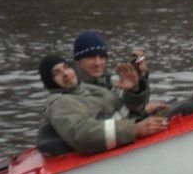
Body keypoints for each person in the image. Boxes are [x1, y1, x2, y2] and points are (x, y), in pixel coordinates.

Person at [38, 55, 167, 155]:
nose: (65, 74)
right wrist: (134, 129)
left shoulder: (88, 88)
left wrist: (134, 90)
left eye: (66, 67)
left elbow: (126, 111)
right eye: (57, 73)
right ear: (50, 81)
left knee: (178, 109)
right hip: (119, 146)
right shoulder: (59, 103)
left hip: (128, 135)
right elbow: (82, 134)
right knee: (184, 109)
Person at [71, 30, 169, 117]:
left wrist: (139, 79)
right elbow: (101, 125)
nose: (98, 63)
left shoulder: (106, 81)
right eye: (91, 58)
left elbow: (134, 106)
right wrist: (143, 111)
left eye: (102, 57)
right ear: (78, 61)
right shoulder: (74, 90)